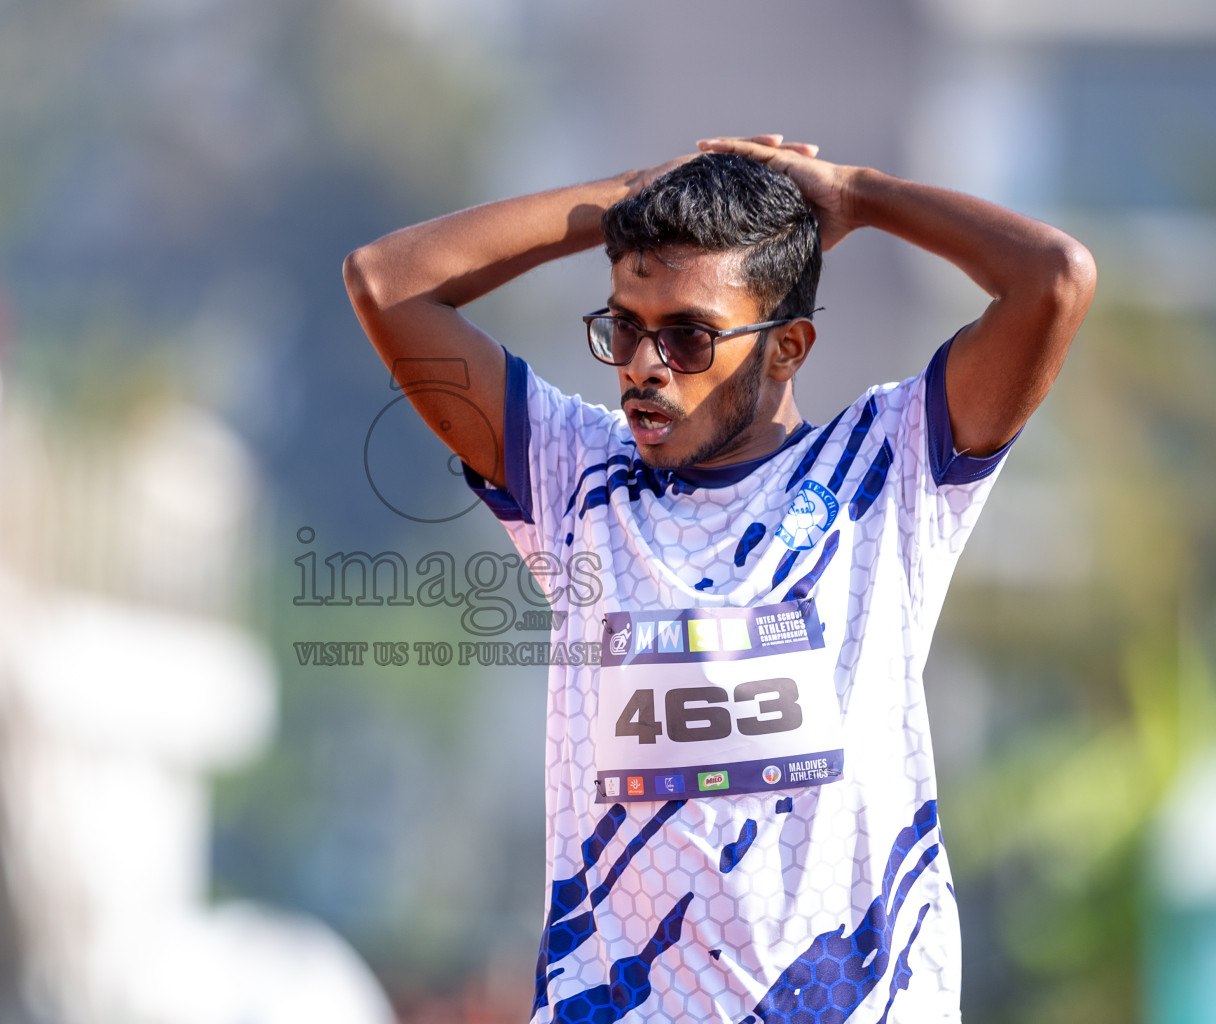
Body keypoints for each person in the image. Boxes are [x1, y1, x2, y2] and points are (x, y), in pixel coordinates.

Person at [342, 135, 1095, 1023]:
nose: (645, 366)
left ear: (787, 347)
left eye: (691, 336)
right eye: (625, 327)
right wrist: (628, 195)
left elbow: (1054, 279)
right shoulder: (571, 474)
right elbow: (386, 283)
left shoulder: (888, 470)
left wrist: (860, 194)